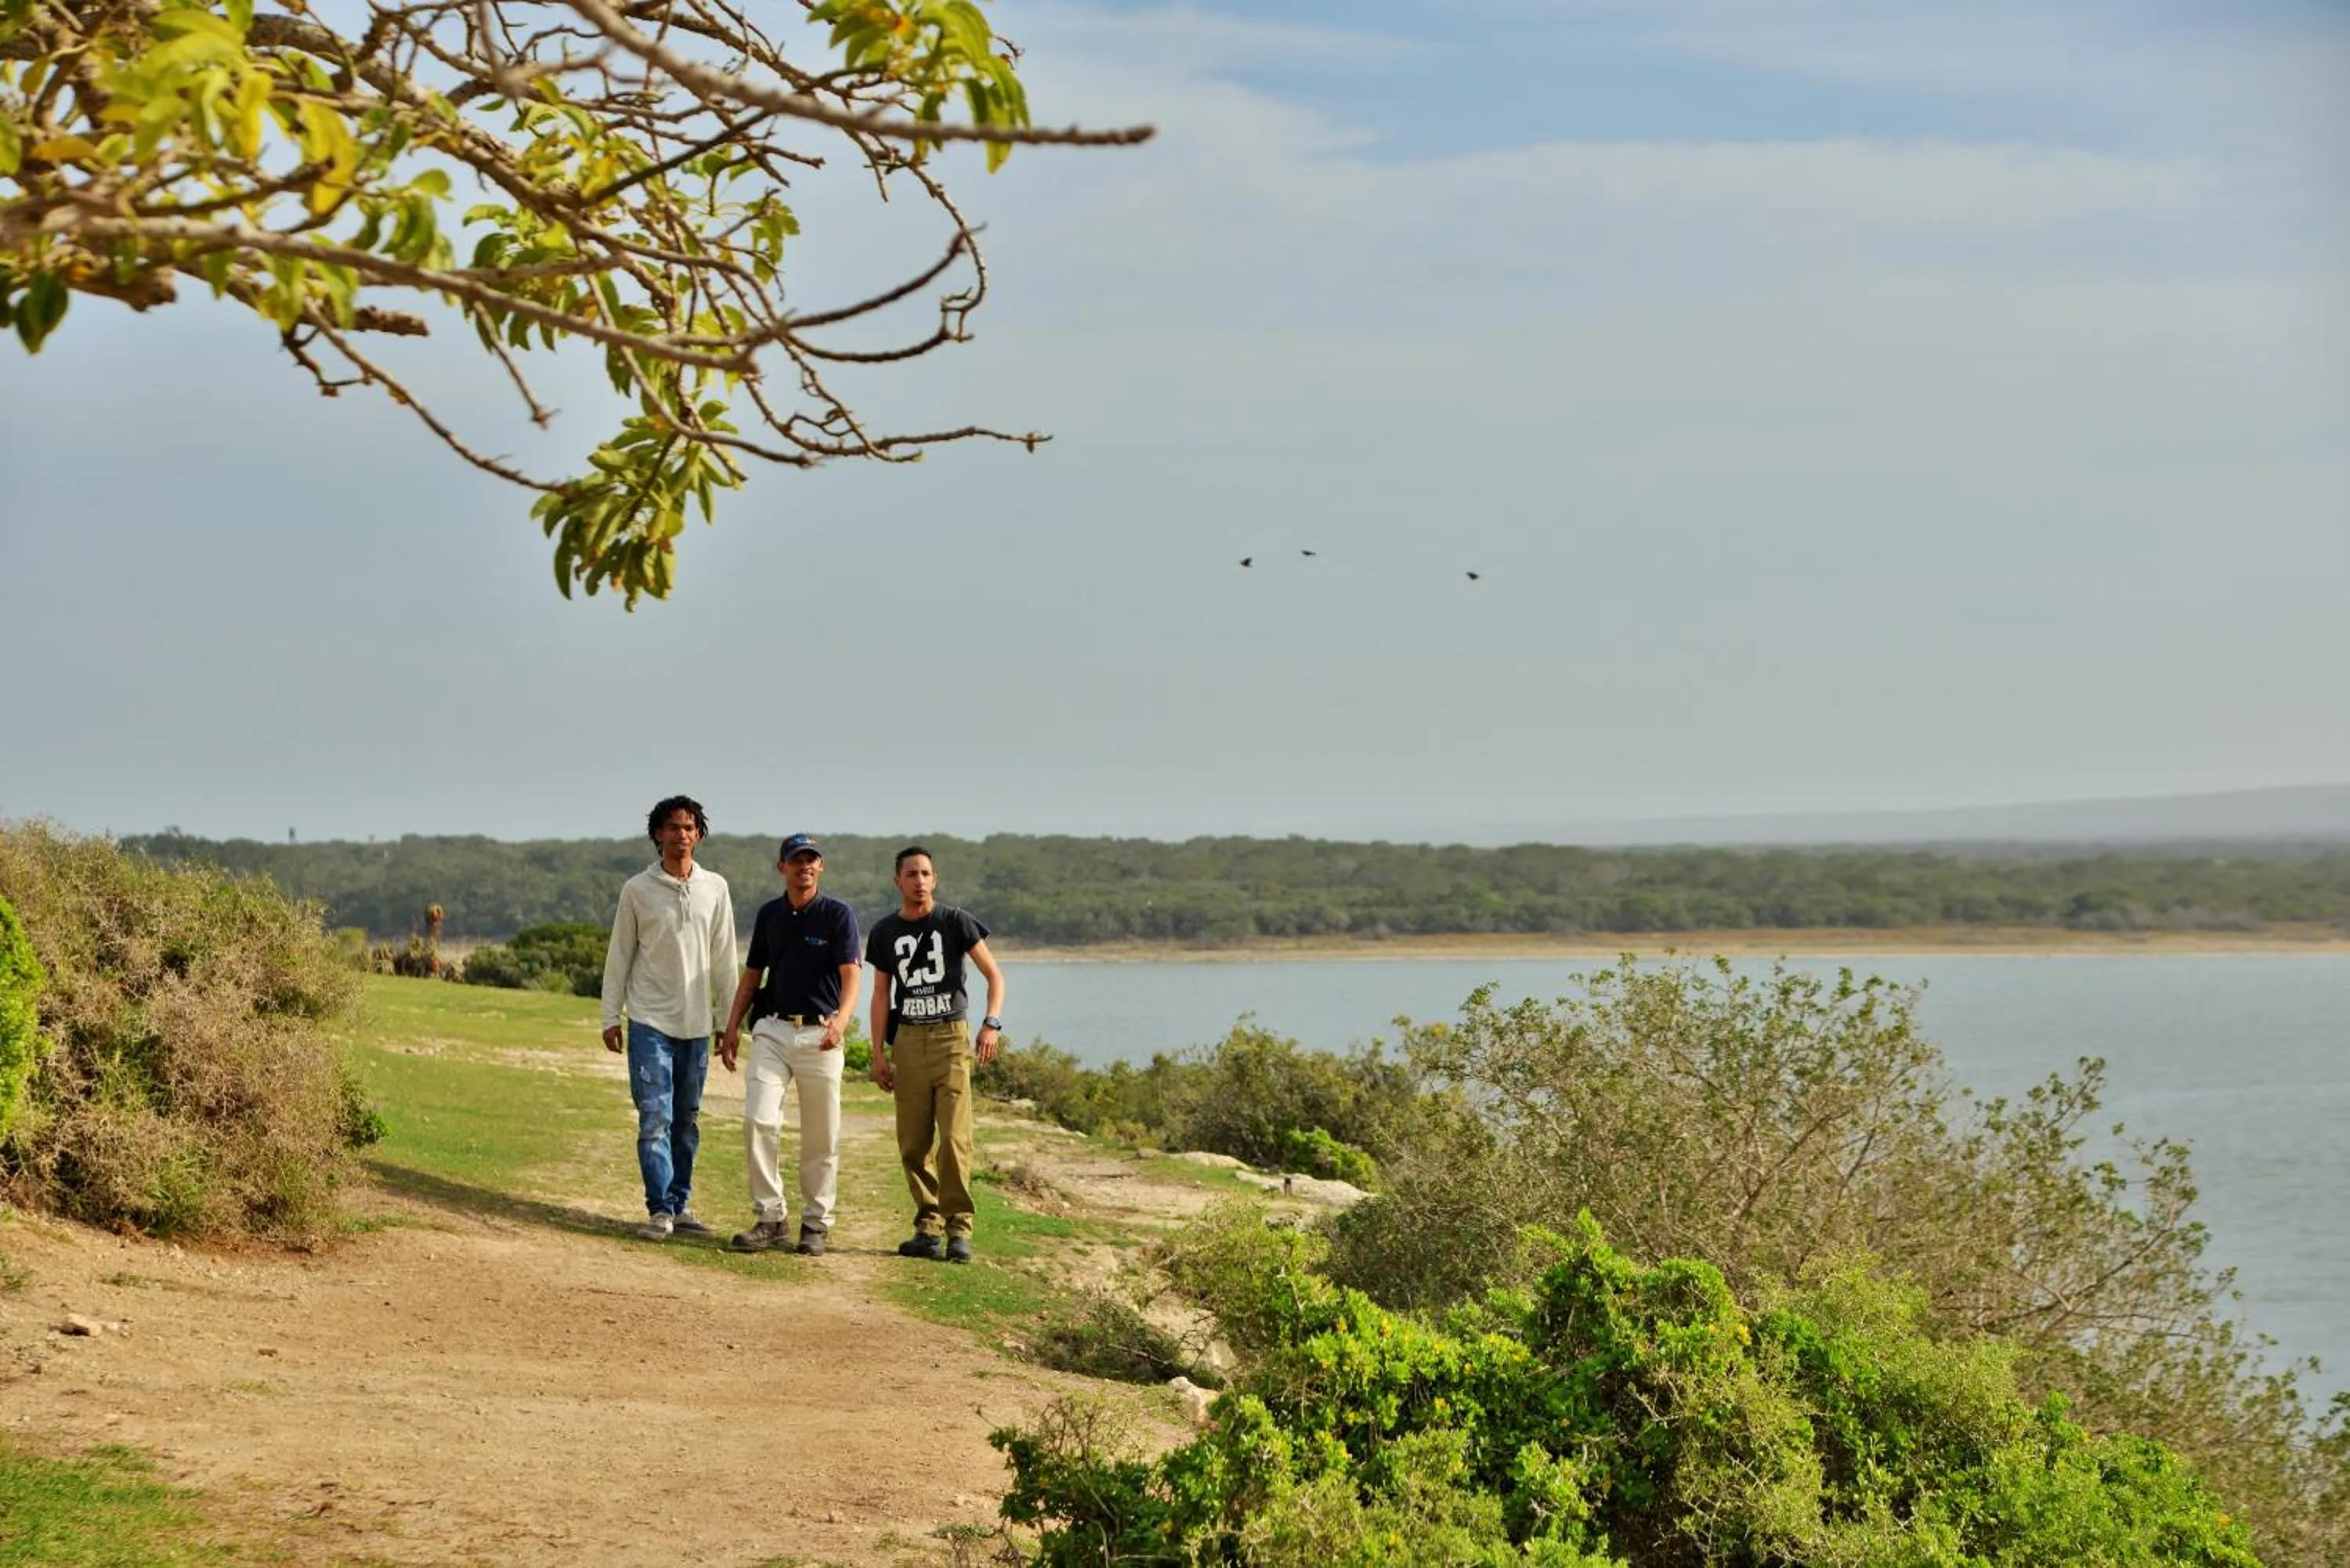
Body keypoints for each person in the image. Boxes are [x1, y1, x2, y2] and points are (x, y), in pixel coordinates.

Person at [718, 833, 861, 1255]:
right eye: (797, 860)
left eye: (812, 860)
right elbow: (752, 976)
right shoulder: (770, 914)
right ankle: (770, 1217)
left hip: (821, 1035)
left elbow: (851, 975)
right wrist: (731, 1028)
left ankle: (816, 1223)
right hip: (773, 1030)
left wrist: (841, 1024)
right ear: (783, 868)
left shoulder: (838, 914)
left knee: (822, 1135)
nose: (805, 867)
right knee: (758, 1120)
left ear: (821, 867)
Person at [601, 795, 736, 1241]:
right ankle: (659, 1209)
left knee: (687, 1120)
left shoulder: (715, 887)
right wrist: (610, 1015)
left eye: (689, 827)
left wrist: (727, 1021)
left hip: (696, 1024)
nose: (682, 835)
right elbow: (620, 955)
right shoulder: (637, 889)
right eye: (673, 827)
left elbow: (725, 960)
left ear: (699, 834)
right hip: (648, 1021)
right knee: (654, 1117)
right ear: (658, 834)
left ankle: (681, 1204)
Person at [866, 845, 1005, 1263]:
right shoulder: (885, 931)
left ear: (935, 879)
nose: (920, 881)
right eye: (911, 874)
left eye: (926, 874)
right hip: (908, 1040)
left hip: (950, 1038)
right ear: (898, 881)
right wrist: (878, 1054)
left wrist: (991, 1023)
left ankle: (959, 1229)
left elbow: (994, 976)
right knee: (912, 1142)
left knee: (954, 1138)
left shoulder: (955, 921)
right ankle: (928, 1226)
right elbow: (880, 995)